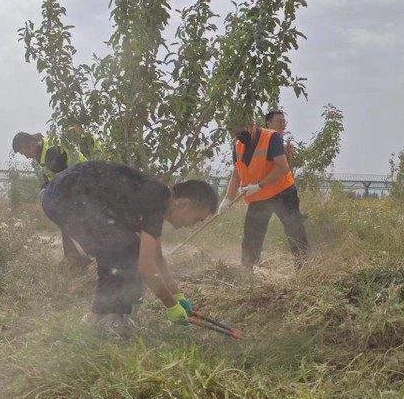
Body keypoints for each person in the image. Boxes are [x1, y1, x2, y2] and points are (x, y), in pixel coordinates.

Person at [42, 160, 217, 328]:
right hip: (64, 196)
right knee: (125, 249)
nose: (192, 225)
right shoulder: (157, 200)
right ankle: (108, 319)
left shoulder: (158, 198)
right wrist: (171, 305)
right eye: (196, 219)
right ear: (184, 204)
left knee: (123, 248)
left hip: (65, 196)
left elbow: (156, 256)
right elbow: (147, 267)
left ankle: (102, 318)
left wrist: (178, 296)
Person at [219, 117, 309, 270]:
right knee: (251, 235)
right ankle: (247, 272)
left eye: (242, 133)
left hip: (283, 193)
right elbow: (236, 176)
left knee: (294, 230)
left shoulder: (271, 137)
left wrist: (259, 185)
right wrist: (226, 200)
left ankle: (305, 268)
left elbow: (281, 166)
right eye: (237, 135)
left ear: (251, 125)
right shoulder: (238, 146)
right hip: (259, 196)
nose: (240, 138)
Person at [13, 131, 89, 269]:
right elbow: (49, 177)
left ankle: (79, 259)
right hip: (77, 186)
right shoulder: (41, 153)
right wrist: (45, 190)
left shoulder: (51, 153)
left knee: (71, 221)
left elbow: (65, 180)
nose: (26, 157)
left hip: (85, 184)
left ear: (30, 145)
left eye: (24, 153)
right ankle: (74, 258)